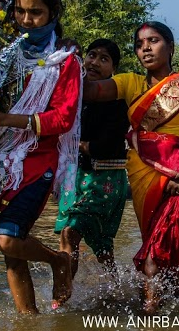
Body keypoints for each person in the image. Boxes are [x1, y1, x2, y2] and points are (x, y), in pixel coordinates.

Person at [82, 21, 179, 312]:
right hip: (142, 175)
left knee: (154, 255)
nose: (146, 48)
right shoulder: (130, 83)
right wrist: (63, 63)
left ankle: (150, 314)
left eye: (153, 41)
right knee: (161, 247)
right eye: (140, 44)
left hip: (177, 178)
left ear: (170, 46)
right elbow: (90, 92)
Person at [0, 0, 77, 313]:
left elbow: (63, 119)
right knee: (10, 250)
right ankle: (28, 320)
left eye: (35, 12)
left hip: (36, 163)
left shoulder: (66, 62)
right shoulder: (5, 56)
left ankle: (58, 260)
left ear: (53, 12)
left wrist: (5, 119)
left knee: (9, 239)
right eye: (20, 11)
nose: (26, 20)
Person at [55, 39, 130, 275]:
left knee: (71, 232)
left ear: (113, 70)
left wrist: (72, 144)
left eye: (104, 59)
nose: (95, 62)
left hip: (104, 179)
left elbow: (104, 146)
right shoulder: (73, 94)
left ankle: (62, 297)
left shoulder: (118, 101)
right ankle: (114, 289)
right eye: (91, 55)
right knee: (97, 247)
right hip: (74, 178)